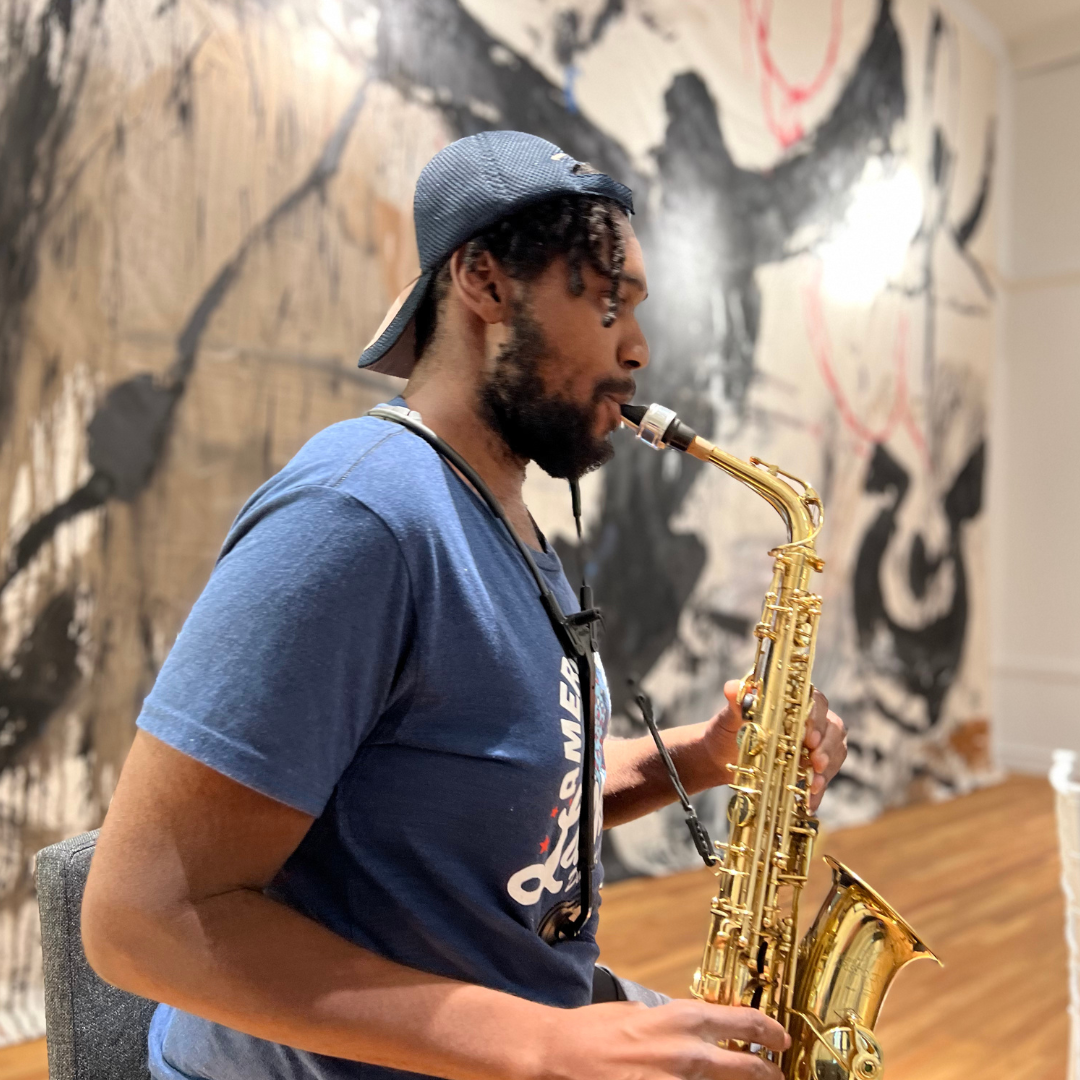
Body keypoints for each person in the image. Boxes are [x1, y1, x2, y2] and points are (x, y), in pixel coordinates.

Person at [82, 131, 847, 1080]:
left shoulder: (504, 517)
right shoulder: (357, 513)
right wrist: (541, 1042)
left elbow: (500, 784)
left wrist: (701, 756)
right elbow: (139, 922)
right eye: (609, 300)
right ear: (484, 281)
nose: (639, 348)